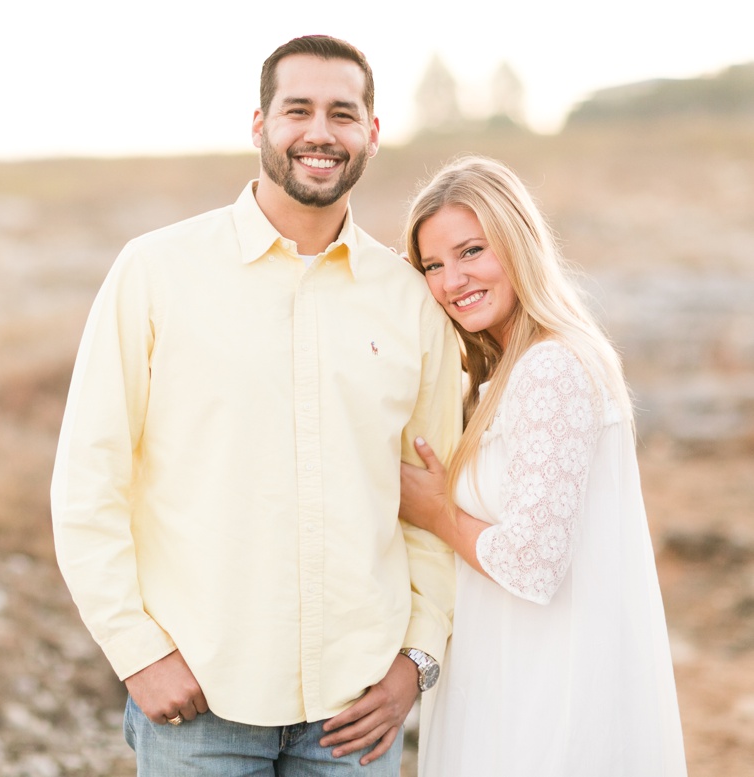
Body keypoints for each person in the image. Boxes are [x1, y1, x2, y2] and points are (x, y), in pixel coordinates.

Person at [51, 35, 462, 775]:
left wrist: (416, 660)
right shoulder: (156, 271)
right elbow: (88, 481)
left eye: (343, 113)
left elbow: (434, 499)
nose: (319, 132)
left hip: (356, 711)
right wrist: (137, 652)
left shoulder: (411, 300)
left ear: (371, 132)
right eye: (296, 109)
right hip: (200, 702)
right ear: (259, 125)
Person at [398, 155, 687, 776]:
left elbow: (533, 563)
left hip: (549, 693)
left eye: (472, 250)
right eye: (433, 265)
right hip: (512, 673)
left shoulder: (550, 368)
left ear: (517, 240)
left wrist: (434, 509)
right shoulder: (502, 373)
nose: (453, 280)